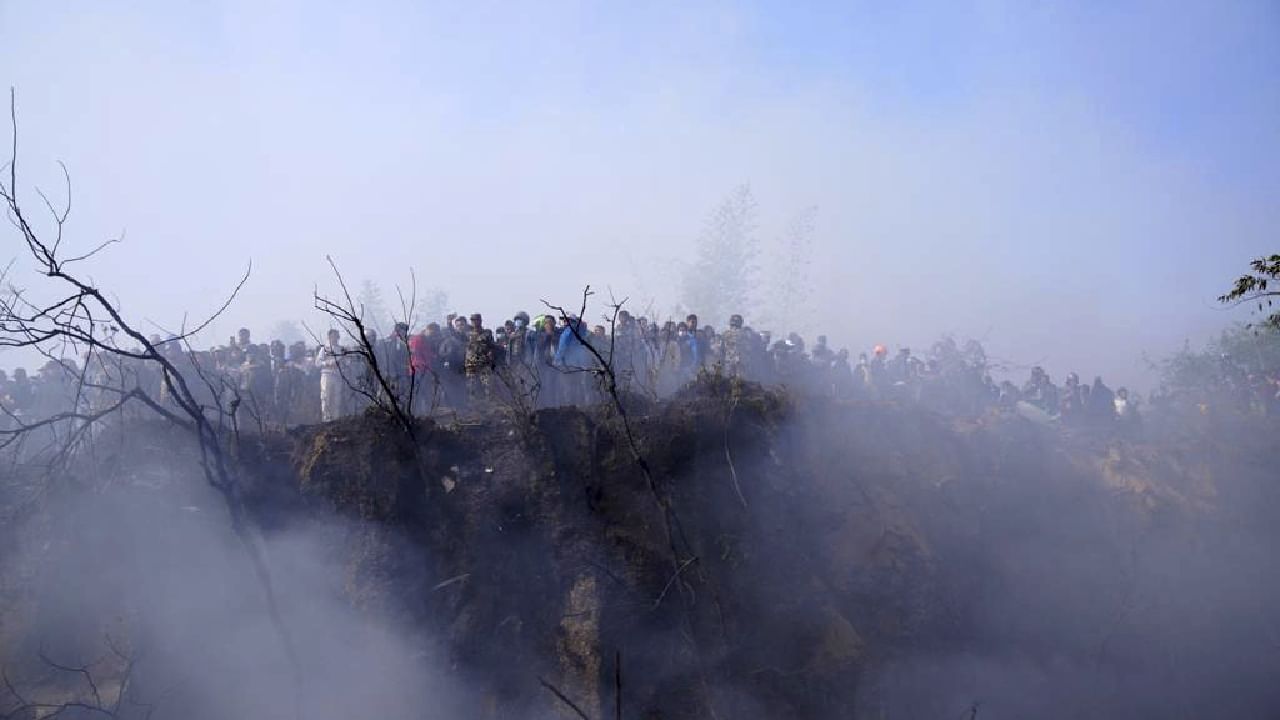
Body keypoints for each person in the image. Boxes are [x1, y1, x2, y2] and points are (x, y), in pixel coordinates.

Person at [316, 329, 345, 422]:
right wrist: (328, 363)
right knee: (325, 397)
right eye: (332, 336)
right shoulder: (325, 349)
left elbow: (345, 362)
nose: (334, 338)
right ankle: (326, 419)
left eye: (336, 336)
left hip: (337, 376)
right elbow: (317, 362)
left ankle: (336, 418)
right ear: (329, 337)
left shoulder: (341, 349)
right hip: (326, 375)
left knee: (337, 398)